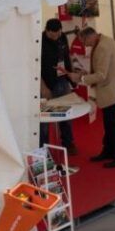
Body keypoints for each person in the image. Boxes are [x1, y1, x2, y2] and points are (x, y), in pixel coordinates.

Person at [68, 27, 115, 168]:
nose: (84, 45)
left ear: (89, 37)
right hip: (113, 88)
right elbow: (102, 69)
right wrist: (86, 73)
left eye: (84, 41)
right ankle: (108, 151)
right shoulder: (105, 41)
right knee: (109, 123)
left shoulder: (102, 47)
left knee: (111, 125)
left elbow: (101, 75)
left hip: (110, 90)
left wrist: (81, 78)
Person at [39, 19, 77, 155]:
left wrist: (72, 77)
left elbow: (67, 57)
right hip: (46, 83)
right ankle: (42, 149)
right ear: (47, 31)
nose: (56, 37)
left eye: (58, 34)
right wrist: (43, 87)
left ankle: (68, 142)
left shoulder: (63, 37)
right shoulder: (38, 41)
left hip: (62, 80)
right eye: (53, 35)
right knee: (44, 119)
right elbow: (34, 67)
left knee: (66, 113)